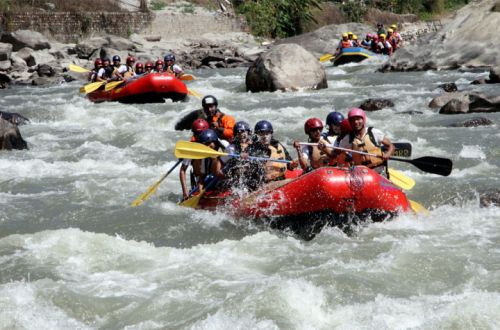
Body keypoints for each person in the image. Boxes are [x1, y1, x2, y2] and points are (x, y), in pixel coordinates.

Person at [336, 108, 395, 175]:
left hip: (379, 173)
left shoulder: (374, 132)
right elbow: (338, 152)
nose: (355, 122)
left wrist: (388, 154)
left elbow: (391, 146)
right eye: (353, 120)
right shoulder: (348, 138)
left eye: (358, 119)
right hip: (361, 175)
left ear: (363, 120)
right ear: (350, 122)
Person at [245, 120, 294, 190]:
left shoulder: (277, 145)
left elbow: (289, 164)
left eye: (267, 133)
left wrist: (292, 165)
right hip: (265, 185)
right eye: (261, 134)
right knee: (291, 181)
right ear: (257, 135)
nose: (265, 136)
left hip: (280, 179)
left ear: (271, 134)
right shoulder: (253, 150)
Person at [189, 129, 227, 196]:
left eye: (209, 143)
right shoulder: (205, 158)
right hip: (212, 181)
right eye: (205, 145)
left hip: (226, 181)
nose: (207, 147)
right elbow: (202, 177)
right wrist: (200, 191)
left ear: (215, 142)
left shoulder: (225, 149)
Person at [222, 121, 254, 189]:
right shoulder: (231, 148)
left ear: (248, 132)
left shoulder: (255, 145)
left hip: (252, 176)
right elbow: (220, 162)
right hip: (237, 177)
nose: (241, 134)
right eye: (238, 133)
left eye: (243, 131)